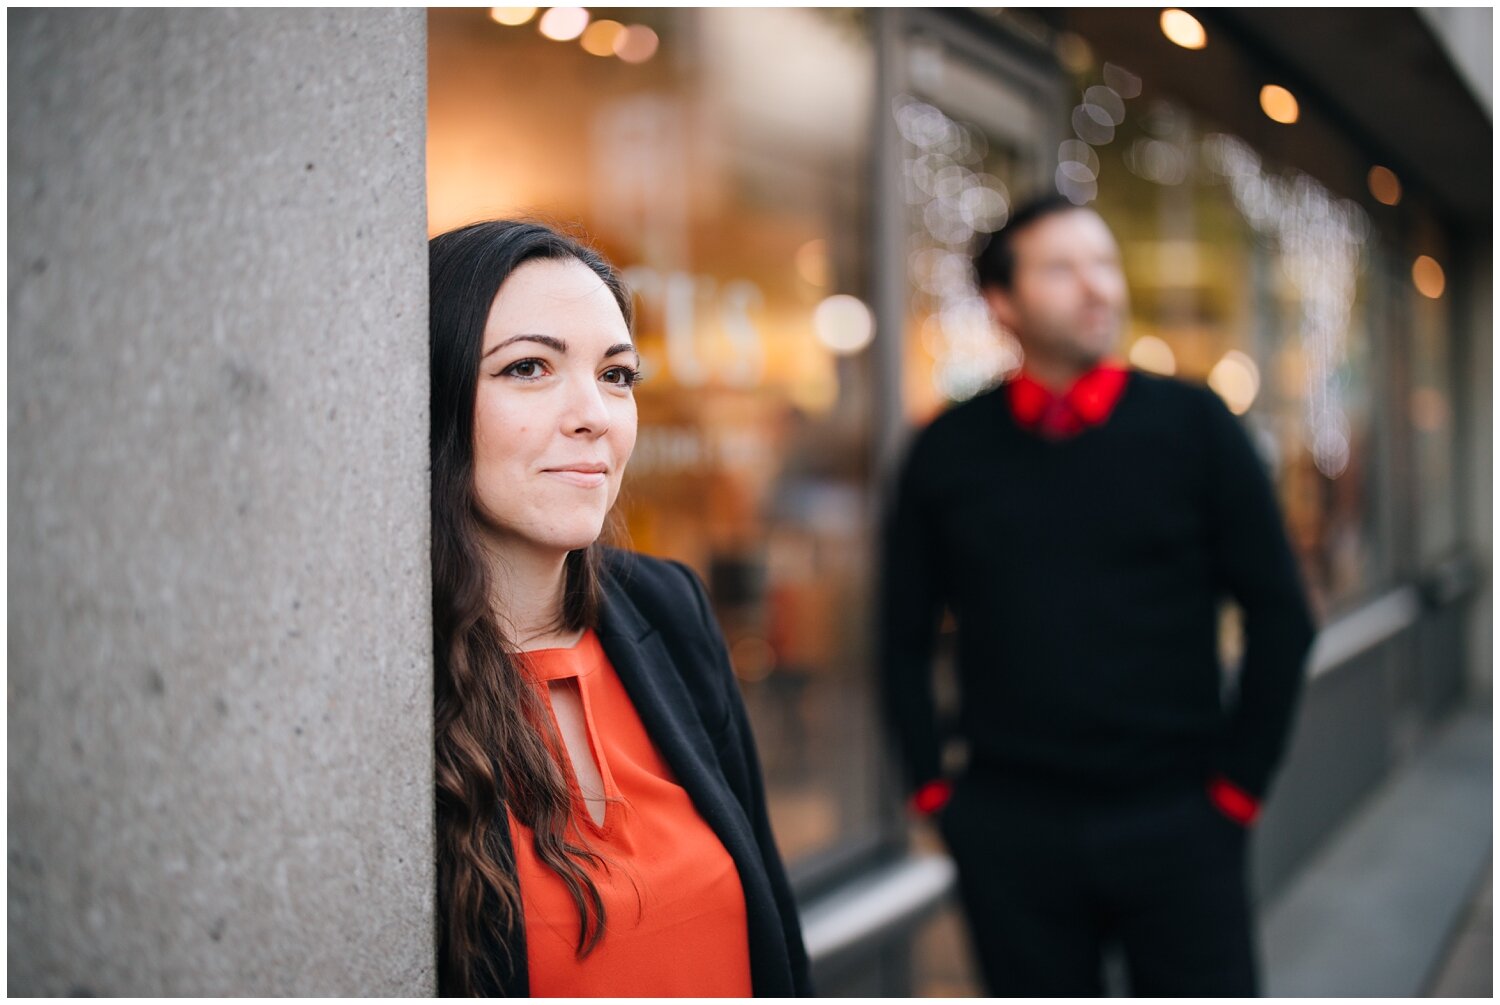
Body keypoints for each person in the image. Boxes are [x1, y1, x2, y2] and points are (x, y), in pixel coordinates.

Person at [879, 194, 1317, 996]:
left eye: (1104, 264)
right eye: (1062, 268)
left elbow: (1282, 614)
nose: (1096, 288)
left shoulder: (1197, 427)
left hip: (1181, 816)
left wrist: (1238, 789)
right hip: (1012, 828)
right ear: (1001, 303)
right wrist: (934, 790)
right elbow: (900, 633)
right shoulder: (949, 448)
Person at [430, 220, 811, 997]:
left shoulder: (668, 606)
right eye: (529, 367)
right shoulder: (387, 665)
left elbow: (775, 920)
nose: (594, 414)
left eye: (617, 375)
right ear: (433, 396)